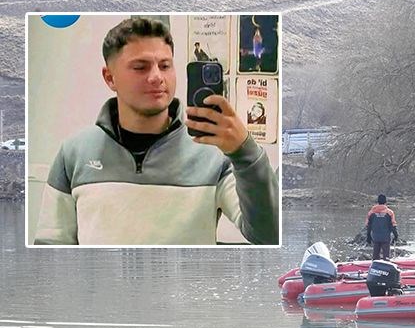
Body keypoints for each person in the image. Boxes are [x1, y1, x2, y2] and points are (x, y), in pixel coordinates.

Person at [34, 18, 279, 245]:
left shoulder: (215, 153)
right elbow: (50, 249)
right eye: (140, 67)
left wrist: (244, 151)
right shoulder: (73, 153)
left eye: (165, 65)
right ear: (110, 78)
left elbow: (268, 235)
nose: (156, 77)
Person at [365, 194, 399, 260]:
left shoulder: (371, 213)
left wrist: (368, 236)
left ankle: (375, 265)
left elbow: (368, 226)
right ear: (385, 202)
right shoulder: (390, 212)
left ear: (377, 202)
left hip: (375, 237)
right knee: (386, 256)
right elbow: (393, 225)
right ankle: (386, 264)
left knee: (375, 255)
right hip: (386, 237)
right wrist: (396, 236)